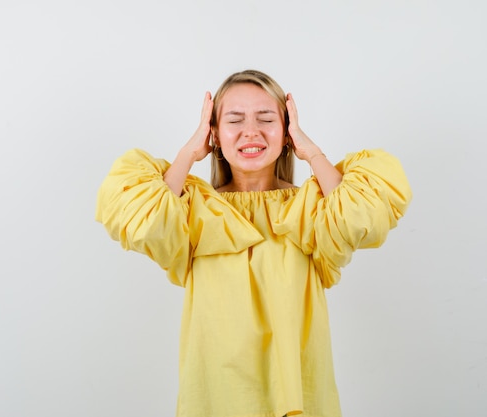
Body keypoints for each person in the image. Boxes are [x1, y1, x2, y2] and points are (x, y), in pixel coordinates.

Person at [95, 69, 412, 417]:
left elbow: (361, 213)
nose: (251, 131)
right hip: (218, 391)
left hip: (297, 385)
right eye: (234, 120)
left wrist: (312, 152)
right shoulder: (193, 209)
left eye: (266, 118)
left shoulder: (310, 207)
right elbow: (143, 218)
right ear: (214, 132)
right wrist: (190, 150)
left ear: (288, 131)